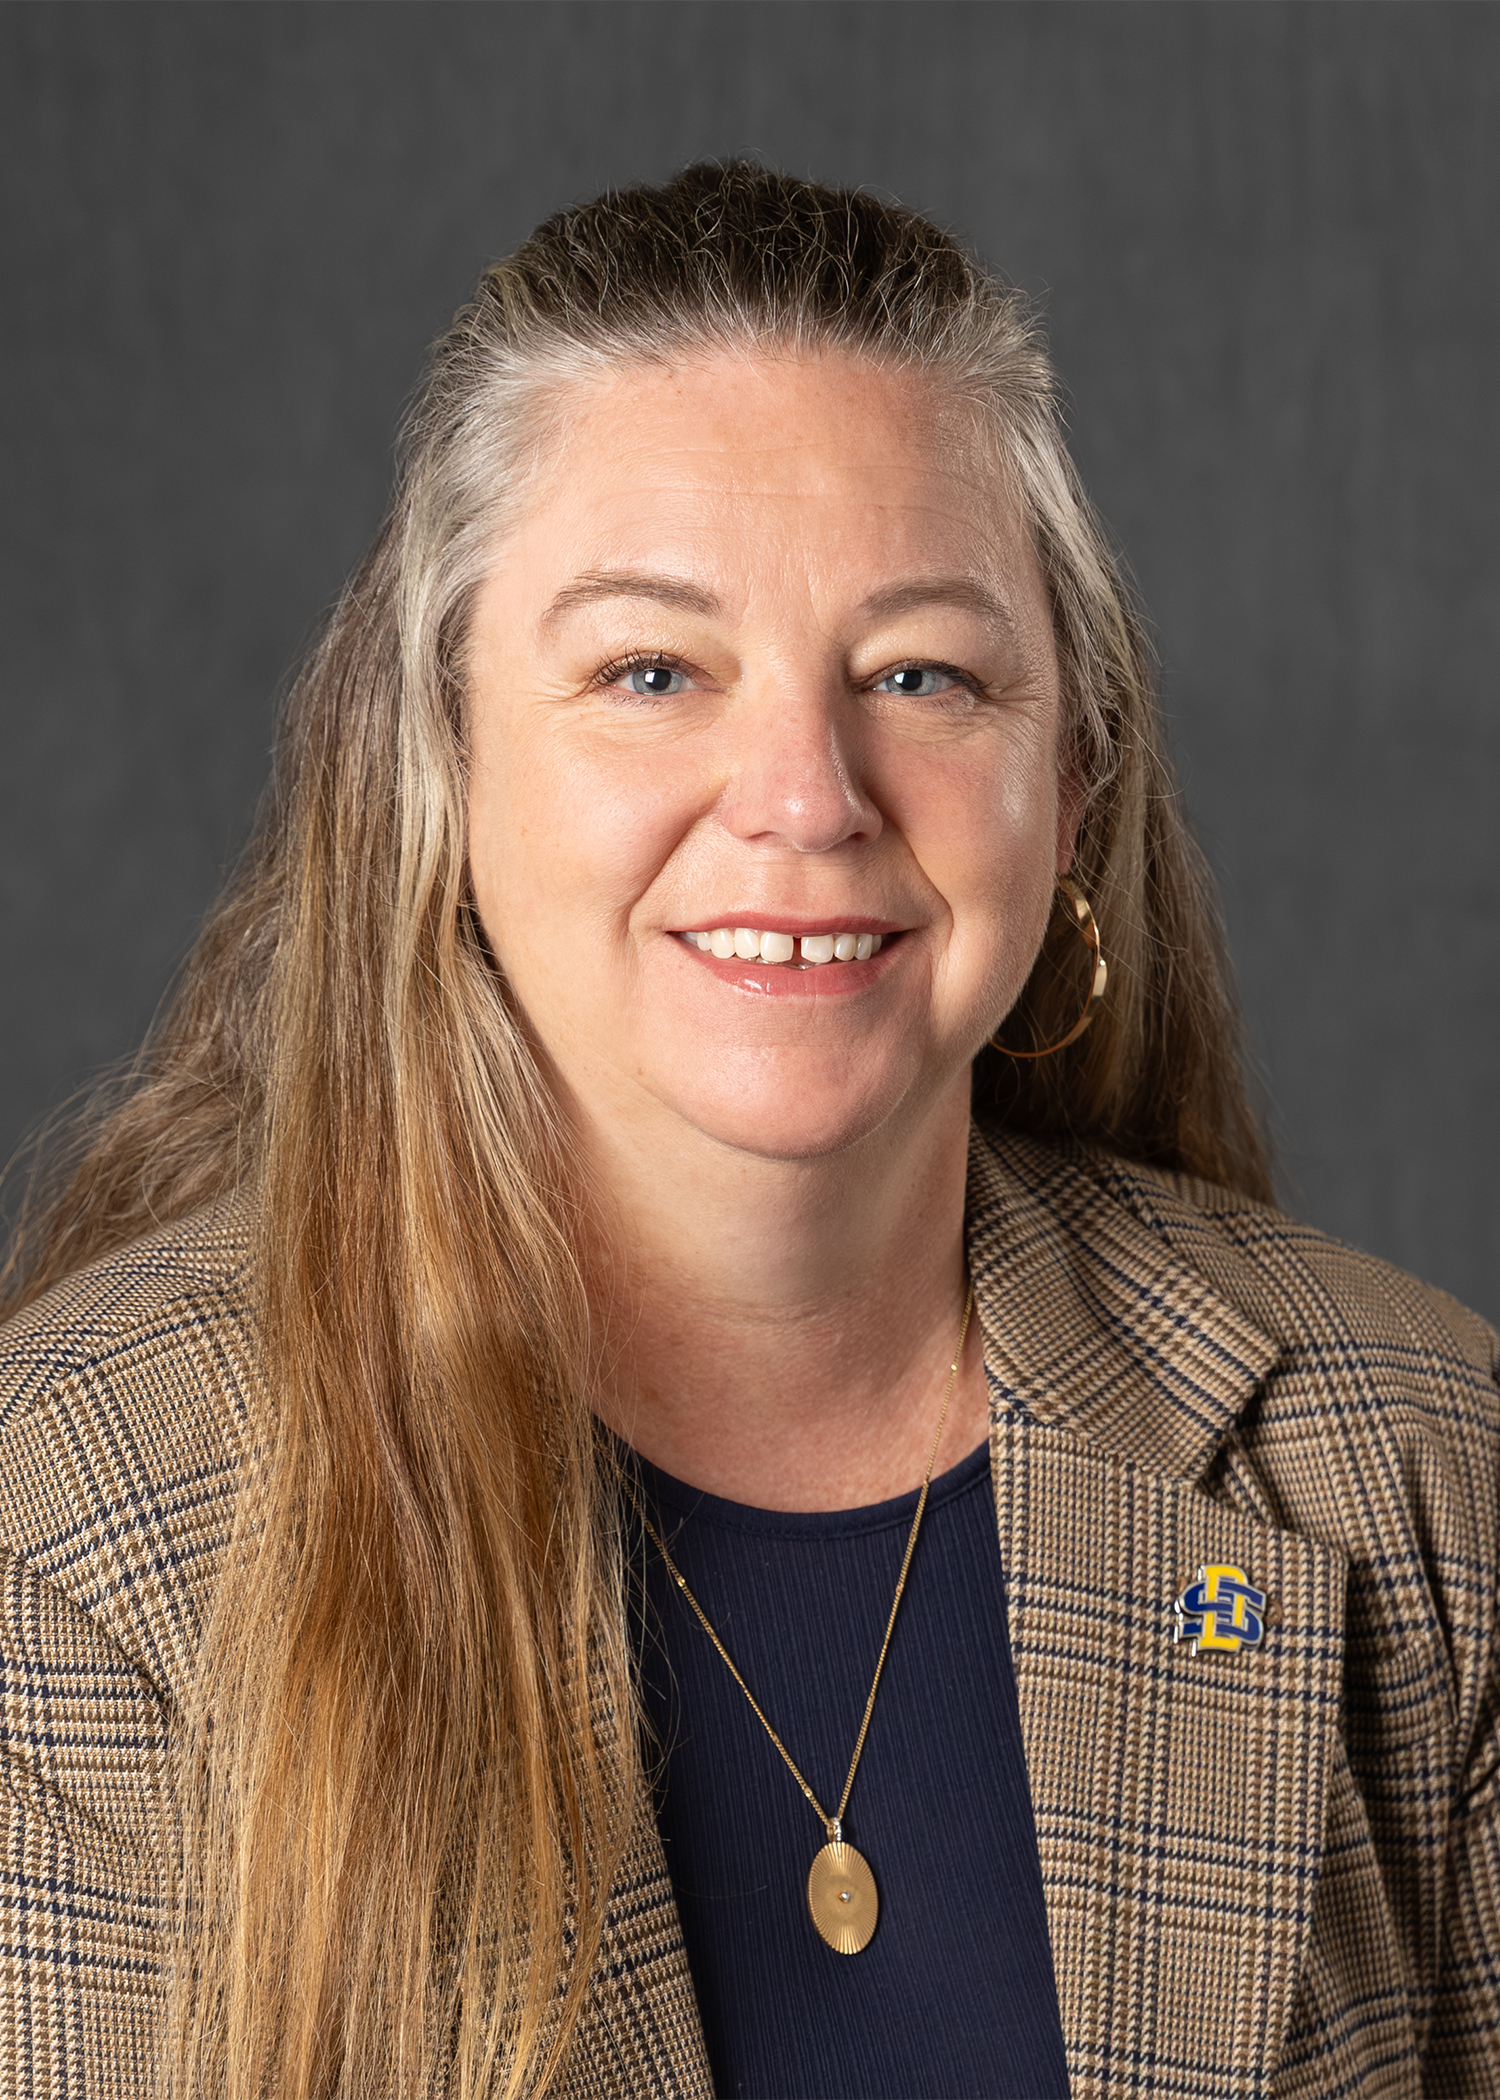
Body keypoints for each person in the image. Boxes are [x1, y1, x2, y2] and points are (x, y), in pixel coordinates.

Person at [0, 160, 1495, 2100]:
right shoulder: (75, 1541)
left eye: (920, 675)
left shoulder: (1421, 1474)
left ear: (1075, 771)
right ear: (439, 769)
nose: (802, 793)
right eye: (648, 671)